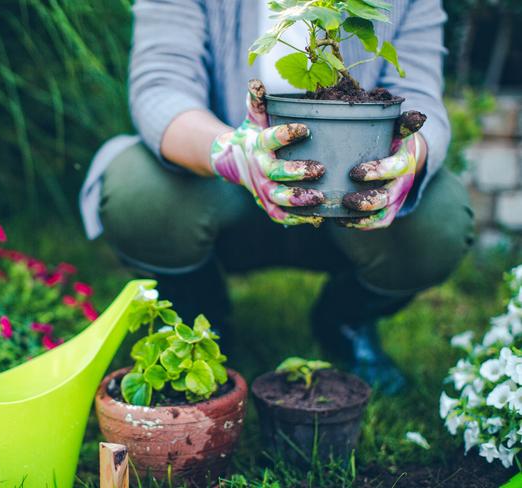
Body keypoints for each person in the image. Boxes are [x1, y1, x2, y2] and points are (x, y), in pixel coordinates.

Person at [80, 0, 475, 394]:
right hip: (220, 187)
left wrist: (410, 158)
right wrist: (232, 153)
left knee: (439, 220)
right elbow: (161, 88)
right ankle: (201, 313)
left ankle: (345, 318)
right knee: (138, 192)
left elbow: (419, 95)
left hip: (351, 191)